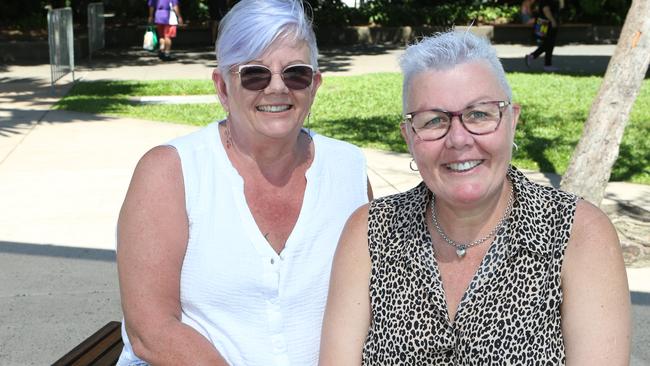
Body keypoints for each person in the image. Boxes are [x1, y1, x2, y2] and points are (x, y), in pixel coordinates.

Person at [319, 30, 631, 365]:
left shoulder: (577, 235)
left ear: (512, 120)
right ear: (409, 137)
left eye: (479, 114)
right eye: (434, 120)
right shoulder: (370, 233)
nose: (458, 139)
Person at [117, 0, 371, 364]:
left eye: (295, 74)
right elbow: (152, 330)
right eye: (255, 74)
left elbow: (367, 310)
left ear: (314, 85)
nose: (277, 88)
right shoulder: (169, 172)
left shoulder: (347, 169)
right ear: (222, 87)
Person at [525, 0, 560, 72]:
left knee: (548, 43)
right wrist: (552, 20)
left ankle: (533, 57)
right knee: (549, 43)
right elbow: (546, 10)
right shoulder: (545, 1)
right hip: (546, 24)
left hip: (545, 23)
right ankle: (546, 64)